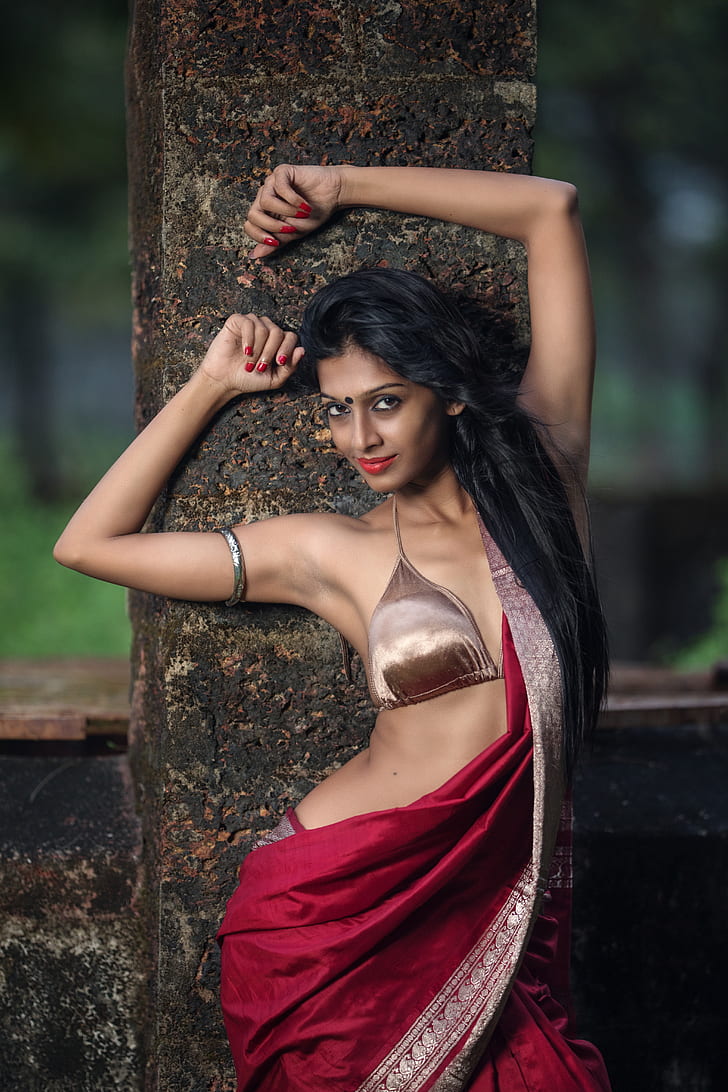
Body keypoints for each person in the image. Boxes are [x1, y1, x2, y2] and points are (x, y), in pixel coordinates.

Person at [54, 164, 611, 1091]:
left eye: (385, 401)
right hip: (328, 924)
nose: (360, 438)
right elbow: (87, 543)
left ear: (452, 394)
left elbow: (549, 207)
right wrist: (207, 386)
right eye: (338, 410)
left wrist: (342, 185)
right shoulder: (331, 551)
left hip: (489, 917)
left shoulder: (548, 485)